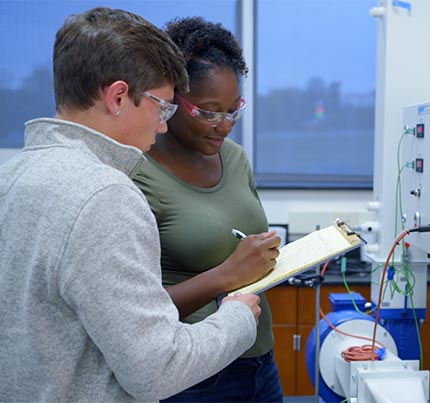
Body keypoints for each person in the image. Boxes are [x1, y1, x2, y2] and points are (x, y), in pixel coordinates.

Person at [0, 7, 269, 402]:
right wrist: (239, 316)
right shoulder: (105, 195)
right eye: (161, 107)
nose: (162, 125)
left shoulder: (10, 177)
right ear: (118, 97)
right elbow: (157, 369)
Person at [132, 17, 284, 402]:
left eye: (234, 110)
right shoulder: (138, 173)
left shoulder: (234, 159)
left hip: (259, 362)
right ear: (171, 101)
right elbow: (135, 314)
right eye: (209, 112)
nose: (224, 125)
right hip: (196, 376)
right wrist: (228, 274)